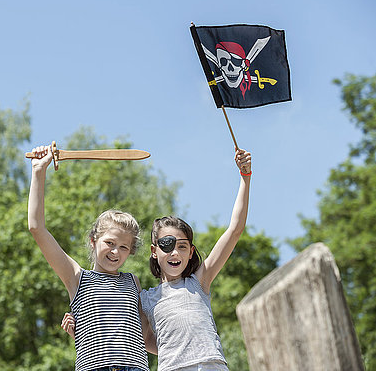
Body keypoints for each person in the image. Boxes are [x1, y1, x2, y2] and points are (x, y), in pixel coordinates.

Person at [62, 148, 252, 371]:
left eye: (182, 246)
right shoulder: (146, 298)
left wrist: (245, 178)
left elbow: (235, 230)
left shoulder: (199, 282)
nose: (174, 253)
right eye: (166, 245)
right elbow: (138, 337)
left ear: (191, 252)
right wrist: (84, 330)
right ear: (154, 251)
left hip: (211, 365)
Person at [28, 144, 155, 371]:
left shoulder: (132, 282)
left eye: (124, 247)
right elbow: (37, 228)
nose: (116, 252)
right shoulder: (76, 277)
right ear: (93, 241)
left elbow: (144, 335)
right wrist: (39, 171)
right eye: (110, 243)